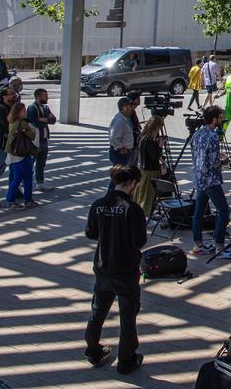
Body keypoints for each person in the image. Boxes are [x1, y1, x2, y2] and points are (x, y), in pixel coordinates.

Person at [84, 165, 148, 374]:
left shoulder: (99, 204)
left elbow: (91, 233)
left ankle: (93, 349)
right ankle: (126, 359)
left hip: (103, 266)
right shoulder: (133, 209)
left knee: (98, 310)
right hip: (126, 268)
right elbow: (139, 242)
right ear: (131, 183)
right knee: (127, 315)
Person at [191, 106, 231, 257]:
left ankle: (198, 244)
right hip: (211, 180)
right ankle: (220, 246)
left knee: (199, 211)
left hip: (199, 177)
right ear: (214, 119)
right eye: (220, 117)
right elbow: (213, 161)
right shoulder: (213, 136)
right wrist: (223, 160)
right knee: (223, 211)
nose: (222, 120)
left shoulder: (198, 133)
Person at [5, 101, 38, 210]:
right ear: (19, 112)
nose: (25, 112)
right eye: (24, 110)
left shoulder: (11, 122)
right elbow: (32, 136)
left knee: (16, 178)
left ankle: (10, 201)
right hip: (22, 154)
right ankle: (27, 200)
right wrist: (31, 130)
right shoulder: (22, 123)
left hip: (13, 154)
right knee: (27, 177)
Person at [134, 115, 167, 216]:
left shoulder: (143, 138)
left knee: (143, 194)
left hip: (144, 170)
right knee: (148, 195)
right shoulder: (149, 140)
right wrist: (160, 147)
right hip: (151, 171)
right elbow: (154, 156)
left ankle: (144, 214)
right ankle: (146, 216)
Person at [27, 88, 57, 192]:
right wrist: (45, 119)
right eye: (45, 95)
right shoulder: (32, 108)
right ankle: (26, 183)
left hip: (44, 139)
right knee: (31, 162)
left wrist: (43, 119)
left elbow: (53, 120)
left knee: (41, 162)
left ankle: (40, 183)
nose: (47, 97)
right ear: (39, 96)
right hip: (35, 141)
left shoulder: (45, 107)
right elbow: (35, 122)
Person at [109, 97, 136, 168]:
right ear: (124, 108)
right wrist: (121, 148)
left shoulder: (124, 118)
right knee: (120, 175)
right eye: (130, 106)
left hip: (124, 152)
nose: (132, 108)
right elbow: (113, 138)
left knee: (122, 175)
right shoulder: (120, 121)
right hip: (120, 153)